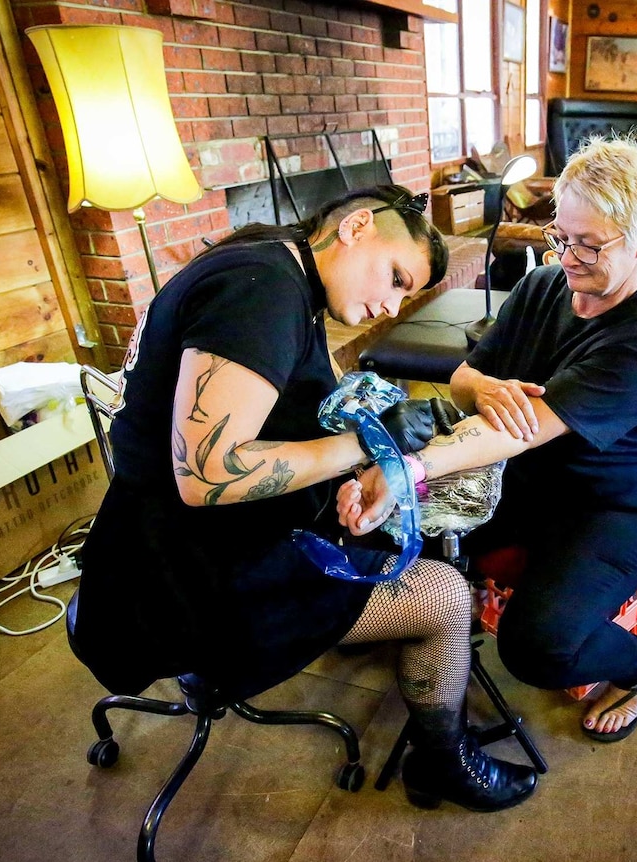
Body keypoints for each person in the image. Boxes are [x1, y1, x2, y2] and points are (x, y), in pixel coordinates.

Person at [74, 184, 538, 813]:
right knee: (445, 595)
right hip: (188, 580)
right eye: (397, 278)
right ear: (356, 227)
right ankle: (444, 766)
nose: (388, 303)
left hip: (150, 547)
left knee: (385, 532)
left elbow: (260, 425)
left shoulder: (275, 261)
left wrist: (343, 465)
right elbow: (207, 474)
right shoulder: (260, 290)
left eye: (405, 296)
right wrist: (360, 446)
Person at [338, 136, 637, 744]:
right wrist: (484, 389)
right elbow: (466, 378)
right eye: (562, 236)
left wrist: (404, 470)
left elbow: (510, 434)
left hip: (615, 507)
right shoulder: (544, 286)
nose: (569, 257)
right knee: (390, 540)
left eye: (590, 244)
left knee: (536, 648)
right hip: (527, 482)